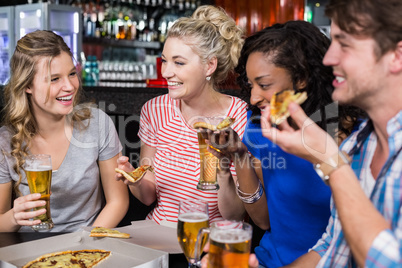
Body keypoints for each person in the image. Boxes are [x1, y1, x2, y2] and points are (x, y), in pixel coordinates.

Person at [200, 20, 364, 267]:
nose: (254, 97)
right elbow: (264, 221)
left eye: (264, 85)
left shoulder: (357, 136)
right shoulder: (259, 126)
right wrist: (240, 155)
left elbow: (354, 236)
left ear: (301, 79)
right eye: (250, 84)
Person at [258, 0, 402, 267]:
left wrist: (331, 162)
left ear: (396, 56)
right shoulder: (360, 145)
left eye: (344, 44)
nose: (328, 59)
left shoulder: (339, 154)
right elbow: (332, 247)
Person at [116, 5, 247, 226]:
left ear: (209, 65)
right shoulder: (155, 110)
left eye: (178, 62)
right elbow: (149, 196)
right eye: (164, 60)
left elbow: (234, 215)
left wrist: (223, 170)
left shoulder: (238, 116)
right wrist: (133, 178)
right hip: (159, 234)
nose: (166, 72)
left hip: (212, 241)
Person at [0, 30, 129, 232]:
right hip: (28, 248)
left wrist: (86, 245)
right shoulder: (5, 141)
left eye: (71, 74)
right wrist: (14, 217)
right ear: (27, 86)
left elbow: (118, 202)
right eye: (54, 79)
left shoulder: (97, 124)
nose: (69, 86)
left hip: (87, 244)